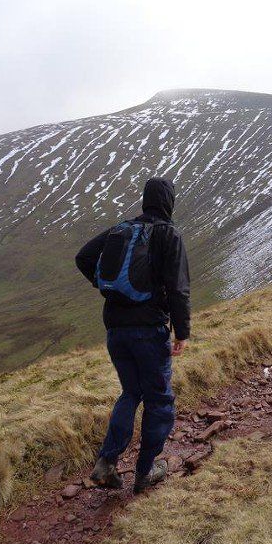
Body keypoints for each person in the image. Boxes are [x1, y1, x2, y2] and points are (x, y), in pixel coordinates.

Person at [75, 177, 190, 493]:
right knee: (159, 400)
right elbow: (178, 288)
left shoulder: (120, 230)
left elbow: (83, 257)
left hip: (116, 329)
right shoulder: (168, 234)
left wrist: (105, 286)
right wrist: (182, 332)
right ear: (168, 202)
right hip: (149, 330)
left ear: (145, 200)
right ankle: (145, 471)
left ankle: (106, 462)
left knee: (131, 392)